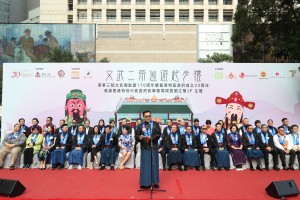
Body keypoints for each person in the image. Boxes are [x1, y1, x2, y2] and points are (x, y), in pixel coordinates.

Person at [135, 110, 161, 189]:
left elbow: (158, 134)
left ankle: (155, 182)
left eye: (149, 116)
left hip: (154, 147)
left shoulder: (156, 124)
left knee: (154, 164)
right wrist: (139, 137)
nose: (148, 117)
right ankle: (144, 183)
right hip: (145, 147)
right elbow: (136, 136)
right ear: (144, 117)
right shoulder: (140, 125)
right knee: (145, 165)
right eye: (146, 116)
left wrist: (151, 137)